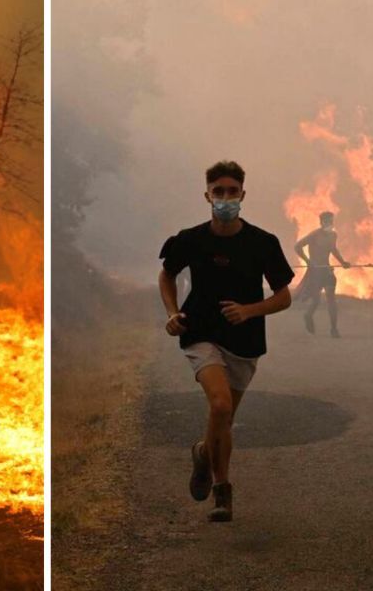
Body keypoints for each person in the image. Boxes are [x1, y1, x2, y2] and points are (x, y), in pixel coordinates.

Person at [158, 160, 294, 522]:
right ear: (207, 196)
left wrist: (249, 311)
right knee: (219, 406)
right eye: (218, 191)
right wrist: (172, 313)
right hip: (200, 332)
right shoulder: (190, 239)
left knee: (225, 419)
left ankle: (204, 451)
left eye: (232, 192)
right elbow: (166, 275)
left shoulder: (263, 243)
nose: (225, 198)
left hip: (245, 341)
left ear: (243, 195)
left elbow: (283, 297)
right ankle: (222, 491)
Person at [293, 211, 350, 338]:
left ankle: (334, 329)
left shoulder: (333, 235)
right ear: (321, 222)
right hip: (315, 272)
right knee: (316, 300)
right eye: (327, 221)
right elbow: (297, 246)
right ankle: (308, 316)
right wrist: (308, 261)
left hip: (327, 270)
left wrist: (343, 262)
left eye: (331, 221)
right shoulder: (315, 234)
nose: (329, 223)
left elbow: (333, 249)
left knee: (331, 299)